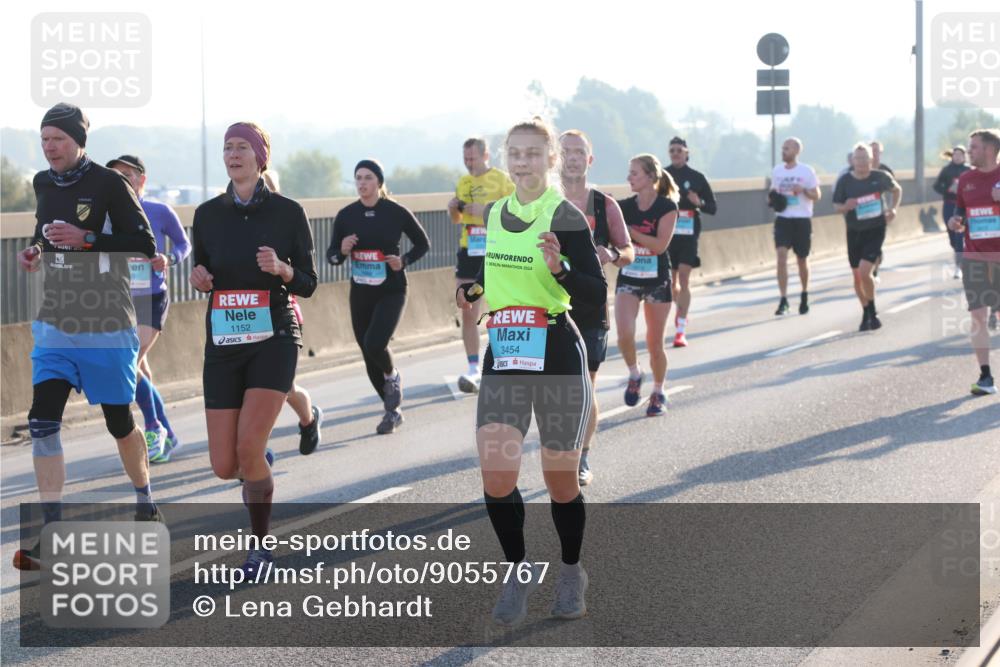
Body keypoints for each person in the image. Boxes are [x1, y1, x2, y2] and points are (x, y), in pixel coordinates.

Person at [457, 117, 606, 625]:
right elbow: (493, 269)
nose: (522, 162)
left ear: (551, 160)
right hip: (505, 350)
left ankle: (570, 571)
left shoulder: (564, 216)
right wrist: (474, 291)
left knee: (560, 480)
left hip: (557, 350)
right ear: (506, 158)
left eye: (533, 154)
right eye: (515, 153)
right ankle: (518, 569)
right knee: (497, 476)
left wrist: (561, 268)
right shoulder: (495, 212)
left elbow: (595, 290)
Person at [14, 103, 160, 570]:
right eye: (43, 139)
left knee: (119, 422)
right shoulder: (41, 183)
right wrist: (36, 250)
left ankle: (144, 498)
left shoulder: (109, 184)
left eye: (57, 138)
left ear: (78, 141)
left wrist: (88, 240)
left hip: (107, 325)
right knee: (42, 421)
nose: (49, 147)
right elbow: (43, 229)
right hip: (56, 320)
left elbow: (144, 244)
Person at [190, 121, 317, 575]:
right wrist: (198, 277)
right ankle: (254, 461)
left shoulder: (287, 212)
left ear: (261, 156)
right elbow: (200, 267)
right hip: (224, 341)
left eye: (242, 146)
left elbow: (309, 281)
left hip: (274, 337)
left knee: (247, 447)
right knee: (225, 465)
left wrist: (283, 270)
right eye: (227, 147)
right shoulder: (206, 213)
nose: (233, 154)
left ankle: (260, 547)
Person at [327, 160, 430, 434]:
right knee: (367, 350)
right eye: (358, 178)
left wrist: (404, 260)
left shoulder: (395, 212)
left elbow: (423, 243)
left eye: (368, 178)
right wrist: (343, 250)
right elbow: (332, 256)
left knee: (375, 343)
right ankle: (391, 410)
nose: (362, 183)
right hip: (361, 292)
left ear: (379, 182)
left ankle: (392, 376)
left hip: (392, 289)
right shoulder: (346, 215)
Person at [559, 129, 634, 486]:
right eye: (566, 152)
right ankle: (560, 450)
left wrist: (613, 254)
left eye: (579, 152)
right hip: (547, 307)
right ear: (556, 159)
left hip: (589, 307)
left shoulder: (605, 205)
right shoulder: (543, 202)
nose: (572, 158)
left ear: (589, 160)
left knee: (585, 386)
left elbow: (628, 250)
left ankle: (582, 457)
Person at [106, 155, 191, 463]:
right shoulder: (107, 215)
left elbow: (184, 245)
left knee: (129, 360)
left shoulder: (159, 211)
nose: (122, 181)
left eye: (127, 175)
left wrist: (169, 259)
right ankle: (168, 433)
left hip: (152, 297)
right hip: (119, 300)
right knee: (140, 368)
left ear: (142, 179)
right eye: (115, 176)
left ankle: (155, 428)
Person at [262, 170, 323, 455]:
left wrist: (282, 269)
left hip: (284, 314)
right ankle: (253, 451)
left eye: (267, 188)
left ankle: (309, 420)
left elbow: (307, 277)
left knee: (284, 387)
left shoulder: (287, 220)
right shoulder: (232, 223)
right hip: (241, 318)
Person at [447, 138, 514, 393]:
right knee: (466, 307)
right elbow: (457, 219)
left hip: (496, 248)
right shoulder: (463, 182)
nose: (468, 163)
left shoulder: (501, 179)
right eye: (465, 158)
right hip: (469, 248)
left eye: (472, 158)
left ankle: (505, 361)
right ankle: (473, 367)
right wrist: (453, 209)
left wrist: (488, 209)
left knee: (501, 309)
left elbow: (514, 212)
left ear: (486, 155)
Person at [616, 154, 679, 417]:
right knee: (624, 335)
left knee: (655, 343)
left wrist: (632, 233)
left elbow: (658, 246)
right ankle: (634, 373)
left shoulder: (667, 208)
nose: (629, 178)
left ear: (651, 177)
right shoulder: (623, 207)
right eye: (629, 173)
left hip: (657, 280)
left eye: (634, 173)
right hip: (629, 278)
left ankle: (658, 391)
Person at [946, 129, 1000, 395]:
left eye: (974, 147)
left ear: (989, 149)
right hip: (974, 256)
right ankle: (986, 377)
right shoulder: (966, 178)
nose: (969, 151)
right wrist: (954, 221)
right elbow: (960, 210)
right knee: (978, 317)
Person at [833, 142, 902, 332]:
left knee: (865, 271)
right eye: (858, 159)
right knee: (857, 277)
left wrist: (893, 209)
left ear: (871, 160)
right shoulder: (845, 181)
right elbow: (836, 206)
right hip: (854, 230)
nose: (861, 162)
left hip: (876, 228)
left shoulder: (880, 177)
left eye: (865, 159)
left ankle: (872, 311)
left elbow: (897, 190)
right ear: (852, 161)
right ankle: (866, 312)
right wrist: (846, 206)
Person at [665, 136, 718, 346]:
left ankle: (680, 329)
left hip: (689, 235)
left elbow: (713, 208)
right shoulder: (663, 176)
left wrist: (699, 202)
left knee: (684, 279)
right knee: (671, 283)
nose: (676, 153)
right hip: (668, 235)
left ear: (687, 152)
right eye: (672, 150)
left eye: (679, 150)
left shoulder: (697, 177)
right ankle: (682, 311)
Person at [768, 137, 821, 316]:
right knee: (781, 257)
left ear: (797, 150)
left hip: (802, 219)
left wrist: (804, 190)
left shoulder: (806, 171)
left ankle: (804, 294)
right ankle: (783, 299)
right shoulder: (777, 171)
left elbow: (817, 195)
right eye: (782, 148)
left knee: (802, 260)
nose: (783, 151)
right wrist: (773, 198)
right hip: (783, 219)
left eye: (787, 148)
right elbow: (773, 192)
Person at [933, 146, 972, 279]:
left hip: (963, 207)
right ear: (952, 156)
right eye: (955, 155)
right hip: (949, 205)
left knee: (959, 235)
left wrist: (964, 190)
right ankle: (959, 252)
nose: (957, 157)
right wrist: (949, 189)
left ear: (964, 156)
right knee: (952, 238)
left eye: (960, 155)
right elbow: (936, 186)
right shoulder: (946, 170)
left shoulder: (968, 170)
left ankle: (959, 267)